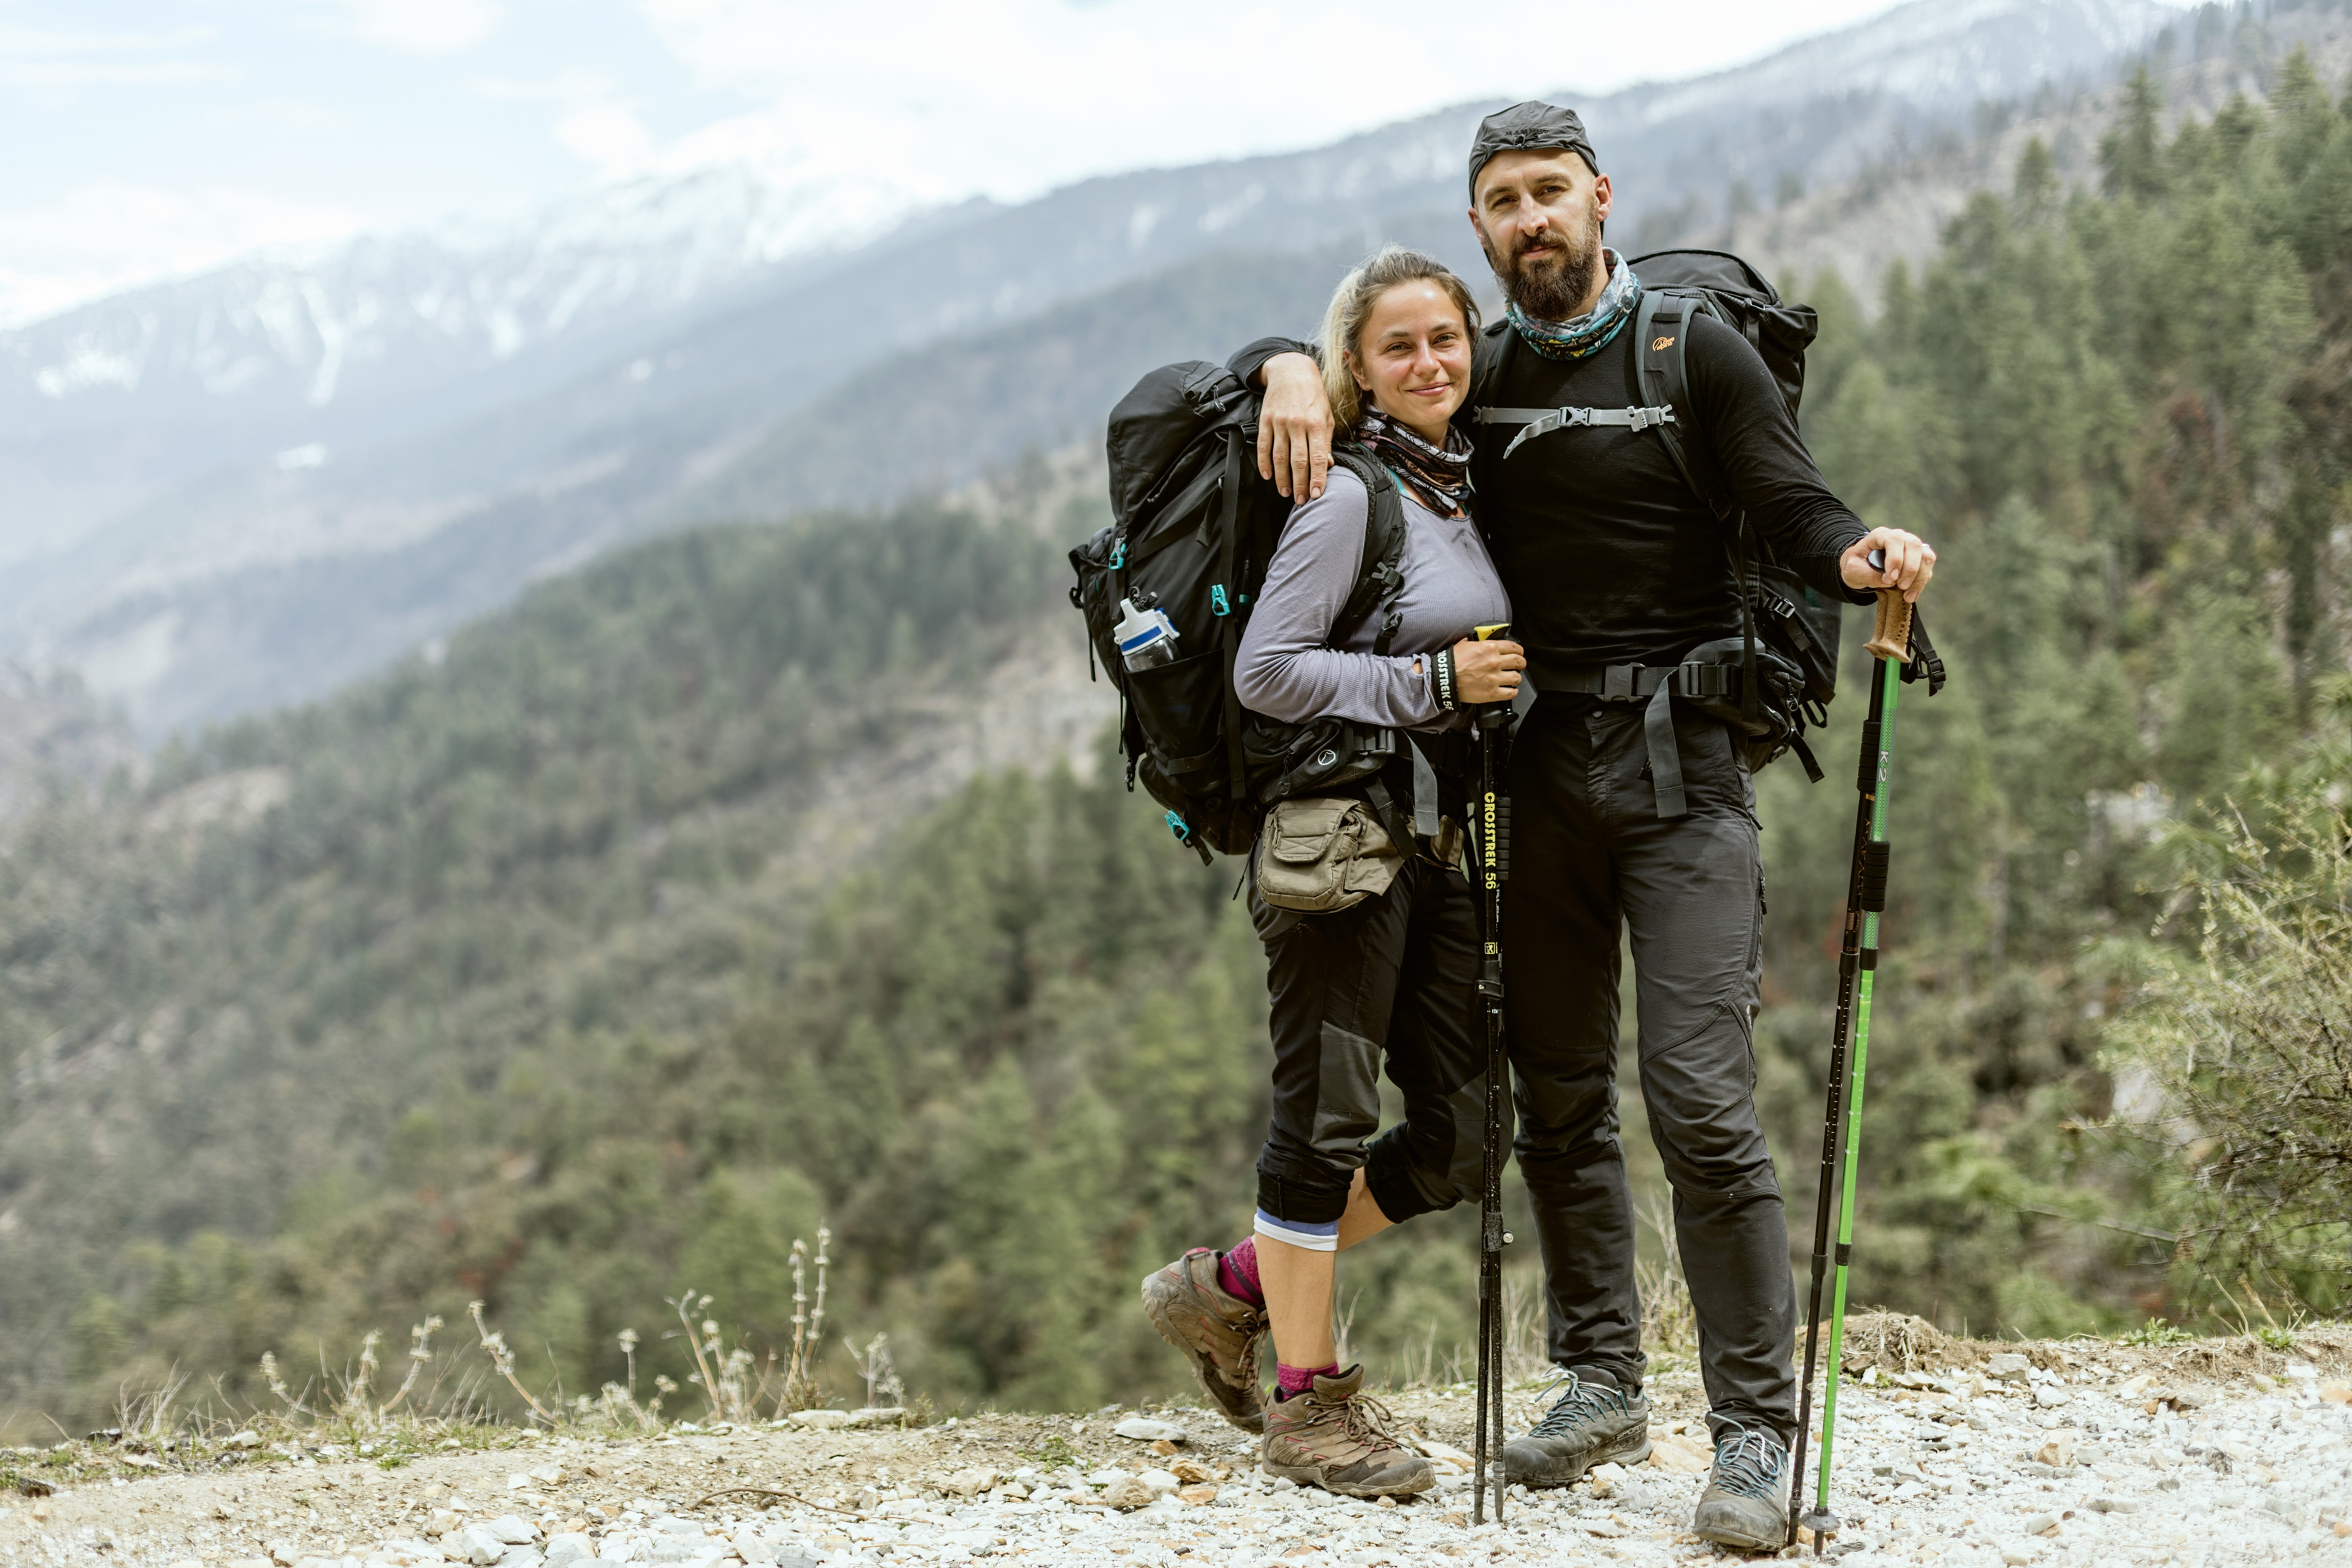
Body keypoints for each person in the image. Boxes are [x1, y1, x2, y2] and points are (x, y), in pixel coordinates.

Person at [1222, 104, 1938, 1550]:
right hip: (1529, 782)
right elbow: (1362, 389)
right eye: (1504, 201)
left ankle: (1752, 1432)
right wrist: (1284, 363)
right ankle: (1602, 1377)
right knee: (1557, 1096)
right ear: (1482, 228)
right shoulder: (1469, 384)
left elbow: (1792, 503)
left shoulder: (1690, 350)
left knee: (1700, 1101)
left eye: (1552, 190)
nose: (1531, 218)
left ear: (1601, 197)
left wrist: (1862, 555)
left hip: (1685, 781)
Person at [1139, 246, 1523, 1500]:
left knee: (1469, 1133)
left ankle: (1237, 1287)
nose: (1429, 363)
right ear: (1355, 365)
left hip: (1432, 844)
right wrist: (1427, 686)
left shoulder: (1456, 485)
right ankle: (1310, 1406)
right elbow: (1267, 669)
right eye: (1398, 345)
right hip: (1337, 848)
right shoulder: (1356, 494)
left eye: (1446, 340)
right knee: (1326, 1125)